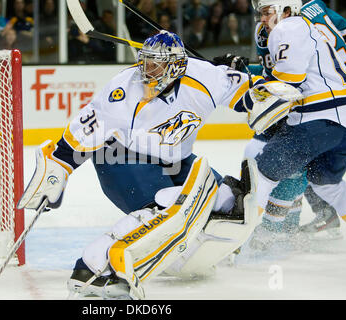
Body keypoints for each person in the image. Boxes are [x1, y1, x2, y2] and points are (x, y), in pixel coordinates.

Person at [16, 30, 303, 299]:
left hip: (177, 159)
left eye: (155, 66)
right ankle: (93, 267)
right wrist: (58, 170)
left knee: (230, 204)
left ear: (177, 67)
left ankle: (195, 258)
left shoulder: (206, 77)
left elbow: (249, 96)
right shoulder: (122, 90)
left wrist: (265, 93)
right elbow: (77, 139)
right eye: (145, 64)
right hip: (122, 160)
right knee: (165, 209)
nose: (146, 72)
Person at [214, 0, 346, 249]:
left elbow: (286, 84)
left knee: (261, 173)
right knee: (327, 184)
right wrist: (243, 72)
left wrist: (243, 94)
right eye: (261, 13)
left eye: (267, 12)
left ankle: (245, 241)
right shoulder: (306, 26)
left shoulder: (286, 28)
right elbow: (281, 75)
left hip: (318, 119)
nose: (263, 19)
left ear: (286, 10)